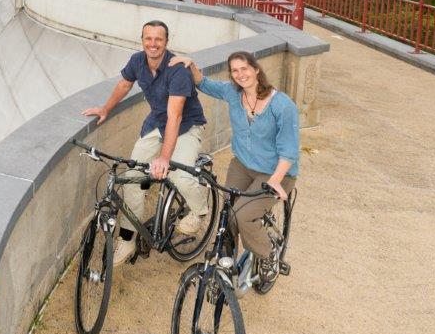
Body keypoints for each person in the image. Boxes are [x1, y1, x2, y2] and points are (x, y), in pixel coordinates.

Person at [82, 20, 210, 265]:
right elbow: (124, 84)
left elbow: (176, 116)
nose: (153, 44)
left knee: (178, 174)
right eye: (148, 39)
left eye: (158, 39)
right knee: (131, 178)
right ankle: (128, 240)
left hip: (185, 127)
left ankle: (199, 210)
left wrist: (164, 157)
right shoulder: (138, 60)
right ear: (142, 40)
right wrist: (105, 108)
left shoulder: (178, 70)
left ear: (166, 42)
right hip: (156, 125)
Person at [170, 51, 299, 268]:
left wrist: (275, 180)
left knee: (242, 216)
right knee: (227, 213)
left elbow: (289, 151)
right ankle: (225, 261)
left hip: (275, 172)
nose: (240, 74)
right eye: (235, 71)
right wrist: (191, 64)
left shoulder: (282, 105)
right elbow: (203, 83)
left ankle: (268, 256)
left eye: (244, 68)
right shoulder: (232, 93)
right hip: (242, 165)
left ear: (256, 69)